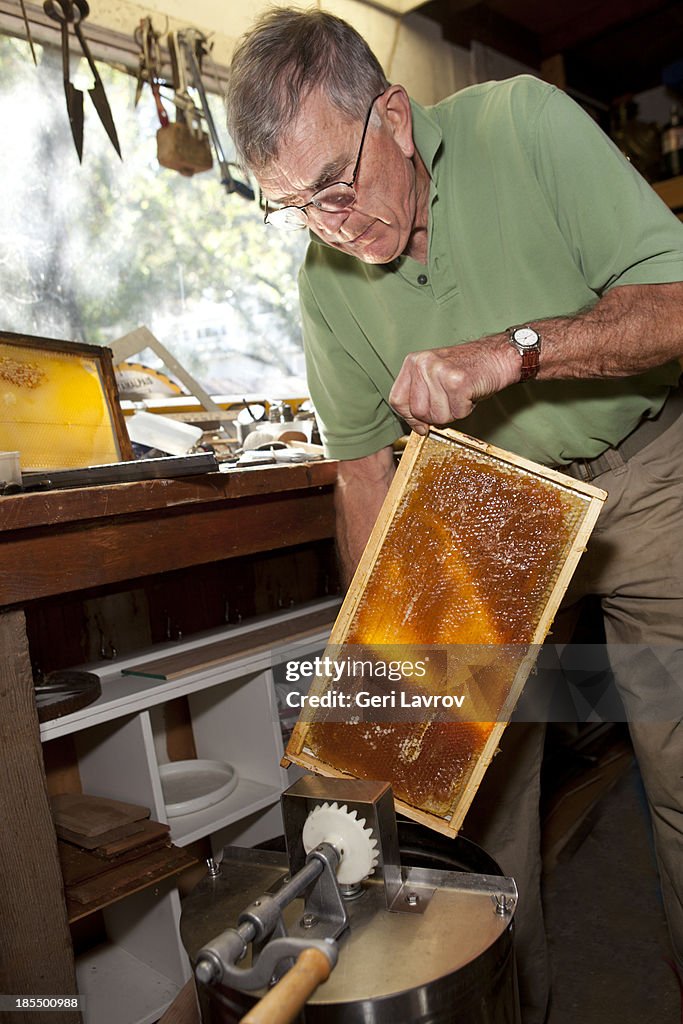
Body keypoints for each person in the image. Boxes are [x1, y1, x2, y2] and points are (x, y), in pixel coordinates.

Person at [227, 9, 683, 1023]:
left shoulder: (522, 127)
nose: (331, 225)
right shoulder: (326, 280)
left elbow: (675, 299)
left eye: (335, 186)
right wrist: (390, 680)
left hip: (650, 468)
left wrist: (507, 350)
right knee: (458, 814)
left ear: (391, 115)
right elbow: (360, 483)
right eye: (294, 207)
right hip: (486, 508)